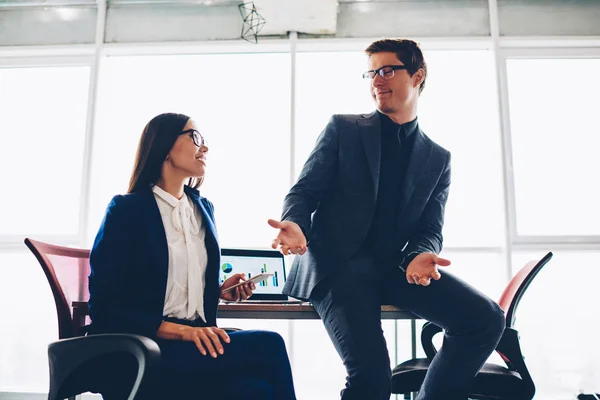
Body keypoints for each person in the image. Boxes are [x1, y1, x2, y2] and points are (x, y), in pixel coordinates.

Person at [268, 39, 505, 400]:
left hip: (394, 269)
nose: (378, 79)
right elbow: (304, 192)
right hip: (338, 266)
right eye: (372, 72)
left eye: (388, 70)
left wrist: (421, 254)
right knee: (373, 380)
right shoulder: (343, 129)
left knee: (485, 319)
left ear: (417, 76)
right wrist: (295, 224)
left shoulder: (437, 158)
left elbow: (430, 228)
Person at [89, 112, 296, 400]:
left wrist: (222, 290)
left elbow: (180, 283)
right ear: (164, 145)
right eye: (195, 137)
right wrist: (181, 332)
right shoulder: (127, 210)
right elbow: (104, 307)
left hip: (196, 343)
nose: (205, 148)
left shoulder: (202, 209)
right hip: (146, 347)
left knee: (257, 391)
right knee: (270, 345)